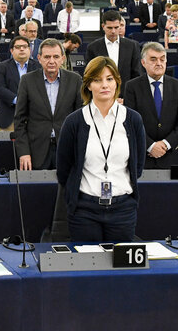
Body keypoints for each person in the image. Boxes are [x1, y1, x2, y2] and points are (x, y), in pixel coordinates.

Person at [56, 56, 146, 242]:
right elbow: (64, 170)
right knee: (87, 268)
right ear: (88, 85)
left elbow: (137, 167)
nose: (104, 85)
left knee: (121, 269)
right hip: (84, 211)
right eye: (97, 80)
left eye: (109, 79)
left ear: (117, 82)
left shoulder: (133, 119)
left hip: (123, 209)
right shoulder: (74, 121)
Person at [14, 38, 82, 170]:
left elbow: (80, 120)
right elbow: (19, 121)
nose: (51, 61)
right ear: (39, 58)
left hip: (67, 150)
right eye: (47, 57)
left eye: (56, 56)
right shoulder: (27, 81)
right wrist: (24, 152)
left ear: (62, 58)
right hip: (35, 152)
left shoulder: (75, 80)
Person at [123, 43, 178, 169]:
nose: (159, 63)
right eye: (153, 59)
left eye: (162, 59)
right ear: (143, 63)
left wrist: (166, 144)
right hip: (142, 156)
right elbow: (129, 121)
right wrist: (150, 146)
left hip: (170, 155)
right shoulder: (132, 86)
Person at [86, 10, 142, 95]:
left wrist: (128, 98)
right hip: (102, 96)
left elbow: (136, 74)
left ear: (120, 26)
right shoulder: (93, 47)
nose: (113, 31)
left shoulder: (132, 46)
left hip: (126, 97)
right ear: (103, 26)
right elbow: (90, 76)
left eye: (116, 27)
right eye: (109, 28)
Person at [0, 36, 41, 132]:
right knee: (7, 147)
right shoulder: (3, 66)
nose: (22, 49)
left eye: (24, 46)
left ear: (30, 49)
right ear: (11, 50)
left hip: (34, 118)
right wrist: (18, 100)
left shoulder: (38, 67)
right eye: (18, 47)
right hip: (8, 119)